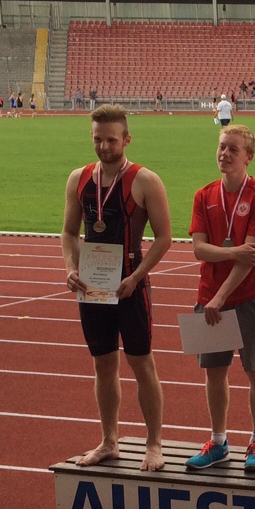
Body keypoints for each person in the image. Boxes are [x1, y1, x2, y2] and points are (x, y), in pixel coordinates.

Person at [61, 104, 173, 471]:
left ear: (127, 139)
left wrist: (136, 276)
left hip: (129, 284)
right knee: (103, 364)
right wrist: (71, 268)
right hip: (92, 284)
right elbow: (68, 232)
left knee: (142, 363)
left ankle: (154, 444)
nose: (104, 147)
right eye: (97, 139)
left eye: (111, 140)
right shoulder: (78, 178)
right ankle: (110, 440)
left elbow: (164, 237)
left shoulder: (144, 180)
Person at [184, 125, 255, 473]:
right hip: (210, 296)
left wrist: (222, 295)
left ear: (248, 157)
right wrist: (235, 252)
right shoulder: (204, 195)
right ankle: (219, 441)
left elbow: (252, 257)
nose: (224, 154)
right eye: (222, 147)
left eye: (233, 150)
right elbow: (198, 249)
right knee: (215, 372)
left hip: (250, 296)